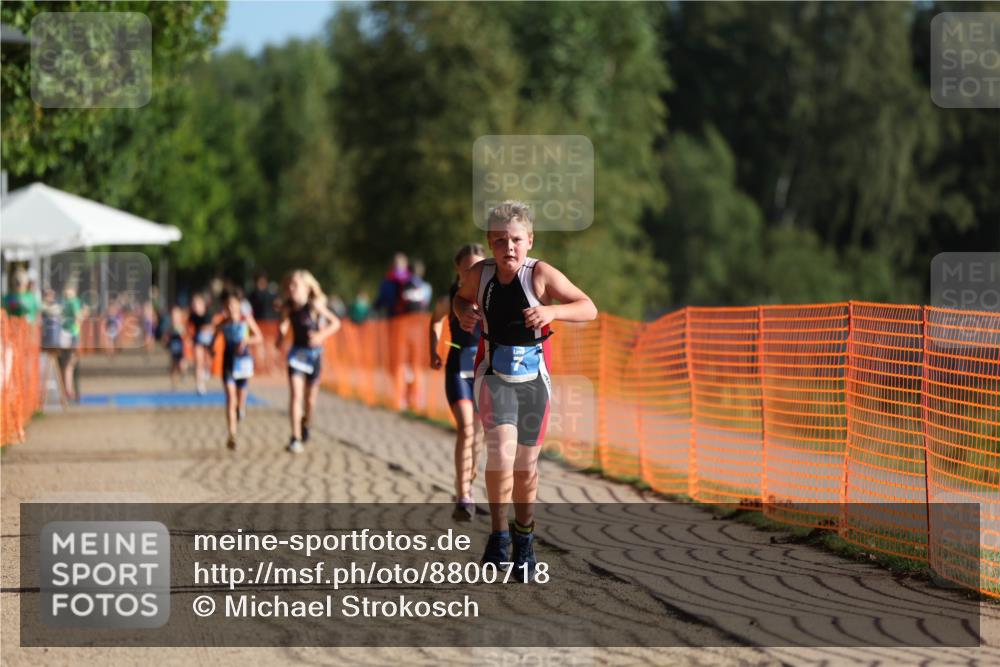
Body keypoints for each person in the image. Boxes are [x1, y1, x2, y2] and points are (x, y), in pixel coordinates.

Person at [453, 200, 597, 575]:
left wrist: (552, 312)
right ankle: (499, 537)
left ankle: (525, 540)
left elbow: (588, 307)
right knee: (500, 452)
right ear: (490, 243)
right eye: (500, 241)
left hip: (534, 379)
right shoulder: (480, 274)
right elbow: (461, 297)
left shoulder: (541, 275)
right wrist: (462, 311)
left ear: (529, 240)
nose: (509, 248)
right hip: (493, 373)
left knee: (526, 464)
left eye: (516, 239)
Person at [430, 244, 487, 521]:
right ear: (458, 269)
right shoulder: (450, 297)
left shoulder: (491, 296)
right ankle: (463, 493)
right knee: (466, 428)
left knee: (478, 435)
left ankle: (469, 479)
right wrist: (434, 349)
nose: (473, 272)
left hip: (485, 369)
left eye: (478, 266)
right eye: (468, 267)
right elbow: (436, 320)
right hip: (457, 366)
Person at [276, 270, 341, 454]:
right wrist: (280, 335)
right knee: (296, 396)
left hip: (314, 356)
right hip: (296, 355)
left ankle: (306, 422)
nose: (291, 288)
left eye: (295, 285)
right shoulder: (288, 307)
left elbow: (335, 323)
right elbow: (283, 324)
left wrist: (321, 335)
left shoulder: (314, 305)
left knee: (309, 401)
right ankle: (295, 437)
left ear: (306, 289)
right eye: (289, 285)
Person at [214, 290, 264, 450]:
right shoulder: (223, 323)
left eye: (233, 305)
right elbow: (215, 337)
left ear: (239, 306)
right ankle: (232, 435)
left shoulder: (246, 320)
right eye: (227, 305)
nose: (230, 308)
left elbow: (259, 336)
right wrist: (211, 348)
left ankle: (240, 410)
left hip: (243, 364)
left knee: (240, 400)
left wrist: (247, 340)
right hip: (228, 364)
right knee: (230, 397)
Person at [59, 282, 86, 403]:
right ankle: (69, 392)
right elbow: (77, 317)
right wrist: (84, 313)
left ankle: (69, 391)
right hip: (73, 336)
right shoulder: (74, 301)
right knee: (70, 365)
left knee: (66, 365)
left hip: (64, 335)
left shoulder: (63, 302)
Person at [188, 292, 214, 395]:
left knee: (207, 361)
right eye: (194, 304)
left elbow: (212, 327)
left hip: (208, 341)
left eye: (198, 304)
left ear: (203, 304)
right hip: (198, 340)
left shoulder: (208, 314)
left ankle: (207, 371)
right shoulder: (193, 316)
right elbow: (189, 327)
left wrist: (207, 329)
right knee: (198, 362)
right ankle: (199, 385)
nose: (196, 307)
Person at [374, 253, 411, 318]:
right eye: (396, 263)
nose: (398, 265)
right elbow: (382, 297)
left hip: (406, 313)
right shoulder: (387, 279)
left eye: (400, 263)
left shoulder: (410, 281)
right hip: (391, 312)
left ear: (405, 264)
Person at [164, 305, 187, 390]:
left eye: (176, 316)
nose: (174, 318)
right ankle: (174, 384)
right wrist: (166, 341)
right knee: (173, 367)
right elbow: (166, 337)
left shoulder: (182, 326)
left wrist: (183, 335)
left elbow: (187, 336)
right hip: (173, 349)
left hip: (181, 350)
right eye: (173, 316)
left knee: (181, 364)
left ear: (180, 316)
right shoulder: (170, 327)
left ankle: (183, 373)